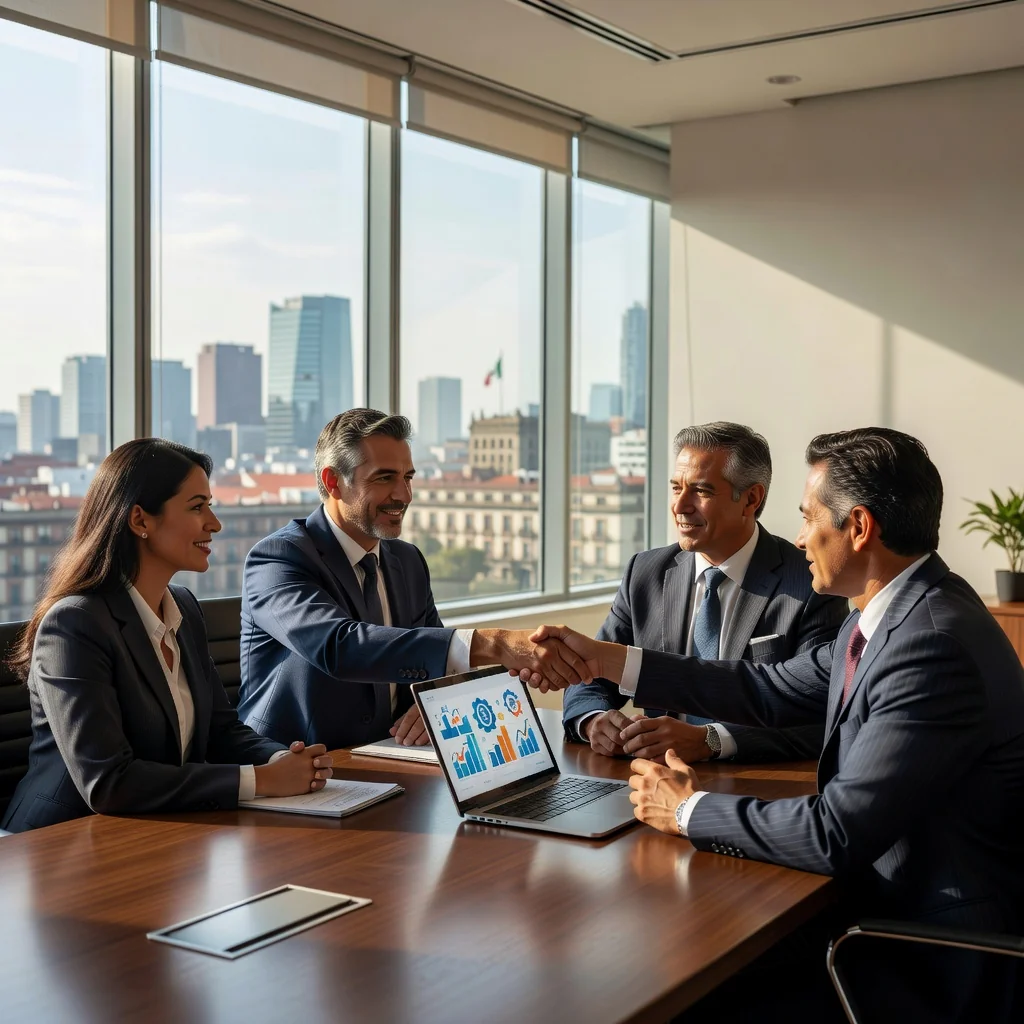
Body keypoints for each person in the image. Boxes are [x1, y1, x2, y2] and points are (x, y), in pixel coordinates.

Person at [531, 428, 1024, 1022]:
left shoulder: (931, 644)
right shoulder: (896, 613)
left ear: (859, 527)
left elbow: (834, 833)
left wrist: (684, 810)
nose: (799, 537)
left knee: (681, 985)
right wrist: (609, 658)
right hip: (878, 912)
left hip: (923, 951)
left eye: (809, 516)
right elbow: (762, 686)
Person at [1, 439, 332, 834]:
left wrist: (280, 761)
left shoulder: (184, 608)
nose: (215, 522)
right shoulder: (74, 625)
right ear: (140, 520)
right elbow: (108, 782)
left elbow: (221, 731)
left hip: (158, 831)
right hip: (61, 844)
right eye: (197, 507)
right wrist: (260, 782)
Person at [237, 409, 590, 752]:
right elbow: (338, 646)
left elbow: (436, 658)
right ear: (333, 483)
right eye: (384, 477)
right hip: (292, 769)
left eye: (408, 477)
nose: (404, 495)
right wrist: (496, 644)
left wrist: (437, 698)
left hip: (391, 759)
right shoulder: (279, 558)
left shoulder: (407, 560)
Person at [562, 421, 847, 764]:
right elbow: (591, 673)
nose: (680, 506)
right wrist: (593, 720)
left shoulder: (811, 583)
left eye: (701, 491)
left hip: (753, 786)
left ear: (751, 499)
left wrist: (710, 740)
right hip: (651, 779)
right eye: (675, 488)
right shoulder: (646, 572)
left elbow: (820, 713)